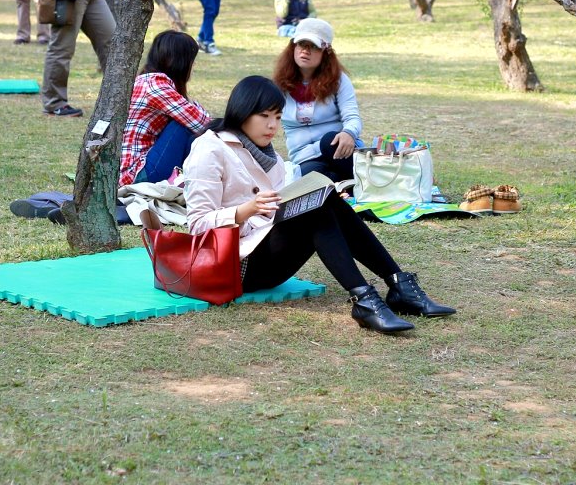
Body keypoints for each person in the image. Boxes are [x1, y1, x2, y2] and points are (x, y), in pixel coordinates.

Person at [182, 75, 455, 334]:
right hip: (233, 267)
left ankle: (398, 284)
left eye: (277, 117)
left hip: (266, 253)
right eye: (264, 116)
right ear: (242, 112)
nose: (272, 126)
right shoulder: (210, 149)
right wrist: (247, 210)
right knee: (315, 211)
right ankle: (365, 299)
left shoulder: (271, 156)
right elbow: (197, 225)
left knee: (326, 198)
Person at [119, 30, 212, 186]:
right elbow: (202, 123)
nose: (193, 66)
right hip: (136, 174)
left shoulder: (146, 81)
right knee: (183, 126)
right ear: (180, 62)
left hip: (131, 171)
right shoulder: (155, 85)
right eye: (192, 61)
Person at [273, 18, 361, 183]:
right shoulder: (279, 85)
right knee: (310, 178)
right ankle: (344, 185)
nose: (305, 51)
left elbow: (353, 118)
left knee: (329, 140)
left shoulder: (339, 80)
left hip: (337, 150)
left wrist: (348, 133)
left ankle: (354, 181)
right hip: (304, 157)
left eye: (313, 46)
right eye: (301, 44)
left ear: (326, 52)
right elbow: (264, 121)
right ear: (293, 47)